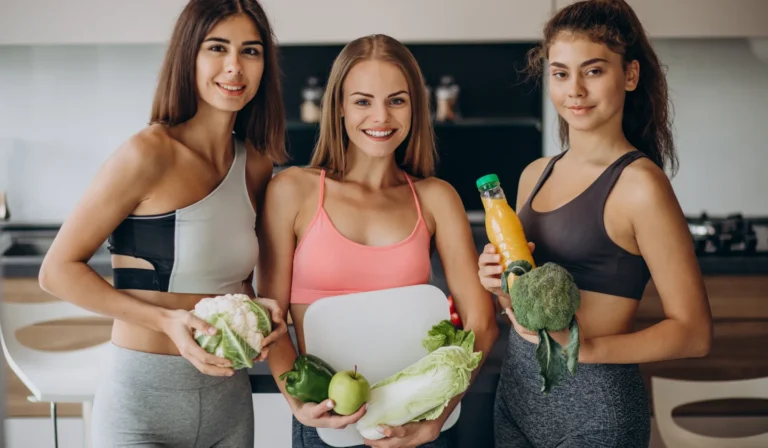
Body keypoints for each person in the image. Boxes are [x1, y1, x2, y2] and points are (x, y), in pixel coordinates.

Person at [38, 0, 288, 446]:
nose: (234, 66)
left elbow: (237, 282)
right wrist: (166, 320)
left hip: (228, 403)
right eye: (217, 48)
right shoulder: (148, 153)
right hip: (142, 403)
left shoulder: (256, 165)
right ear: (189, 54)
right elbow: (56, 272)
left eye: (250, 51)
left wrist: (260, 309)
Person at [477, 1, 713, 447]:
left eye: (594, 71)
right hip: (517, 400)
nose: (575, 90)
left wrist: (587, 349)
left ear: (630, 76)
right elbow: (531, 316)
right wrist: (500, 290)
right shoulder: (534, 174)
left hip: (597, 412)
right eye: (561, 73)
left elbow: (694, 332)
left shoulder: (640, 186)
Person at [258, 34, 499, 448]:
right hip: (325, 422)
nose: (381, 116)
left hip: (416, 425)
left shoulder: (436, 198)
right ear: (339, 107)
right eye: (363, 101)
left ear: (414, 108)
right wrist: (297, 401)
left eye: (397, 100)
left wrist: (436, 420)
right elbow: (271, 318)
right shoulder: (291, 190)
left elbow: (482, 324)